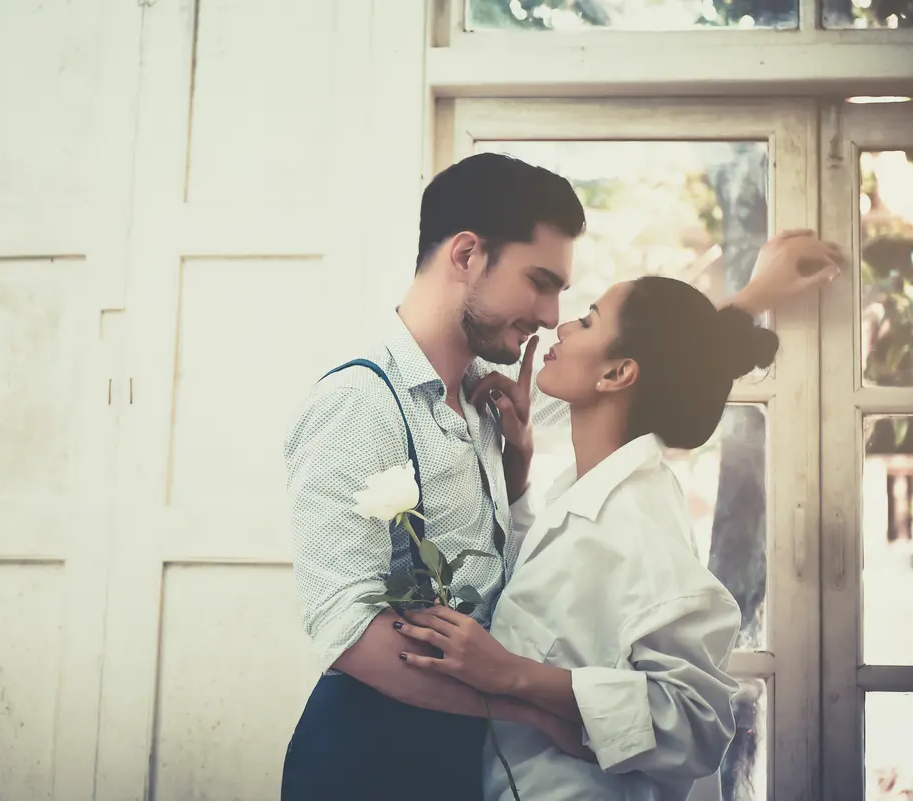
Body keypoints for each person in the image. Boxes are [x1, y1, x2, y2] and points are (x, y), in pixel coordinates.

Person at [279, 151, 842, 801]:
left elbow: (647, 367)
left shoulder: (496, 394)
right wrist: (527, 704)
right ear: (466, 255)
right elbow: (347, 632)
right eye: (539, 281)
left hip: (466, 765)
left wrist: (751, 299)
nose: (551, 316)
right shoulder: (358, 406)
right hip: (368, 763)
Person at [395, 275, 781, 800]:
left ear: (617, 373)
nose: (563, 326)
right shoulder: (591, 492)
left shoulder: (641, 524)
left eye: (589, 320)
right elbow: (556, 595)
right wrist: (518, 463)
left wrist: (512, 674)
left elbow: (697, 724)